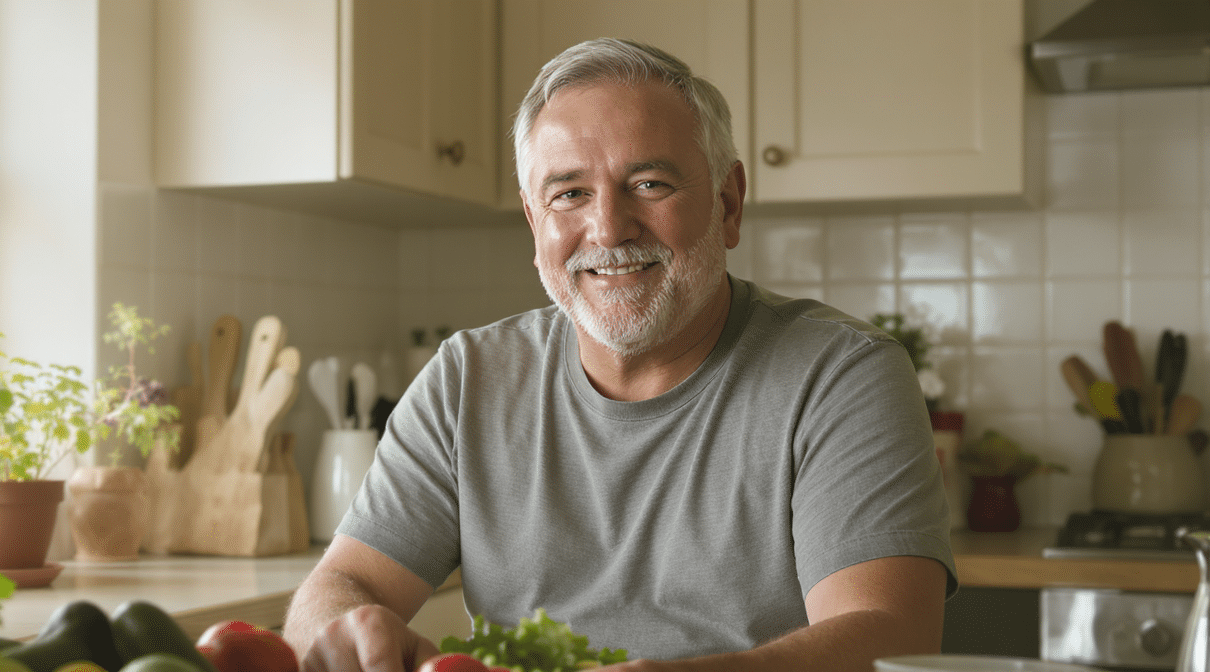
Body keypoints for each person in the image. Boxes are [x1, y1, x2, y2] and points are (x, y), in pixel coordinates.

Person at [284, 38, 956, 672]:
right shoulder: (467, 380)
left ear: (727, 202)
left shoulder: (842, 374)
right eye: (570, 193)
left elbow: (892, 635)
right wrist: (345, 627)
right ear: (533, 219)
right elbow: (342, 583)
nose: (607, 228)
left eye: (650, 184)